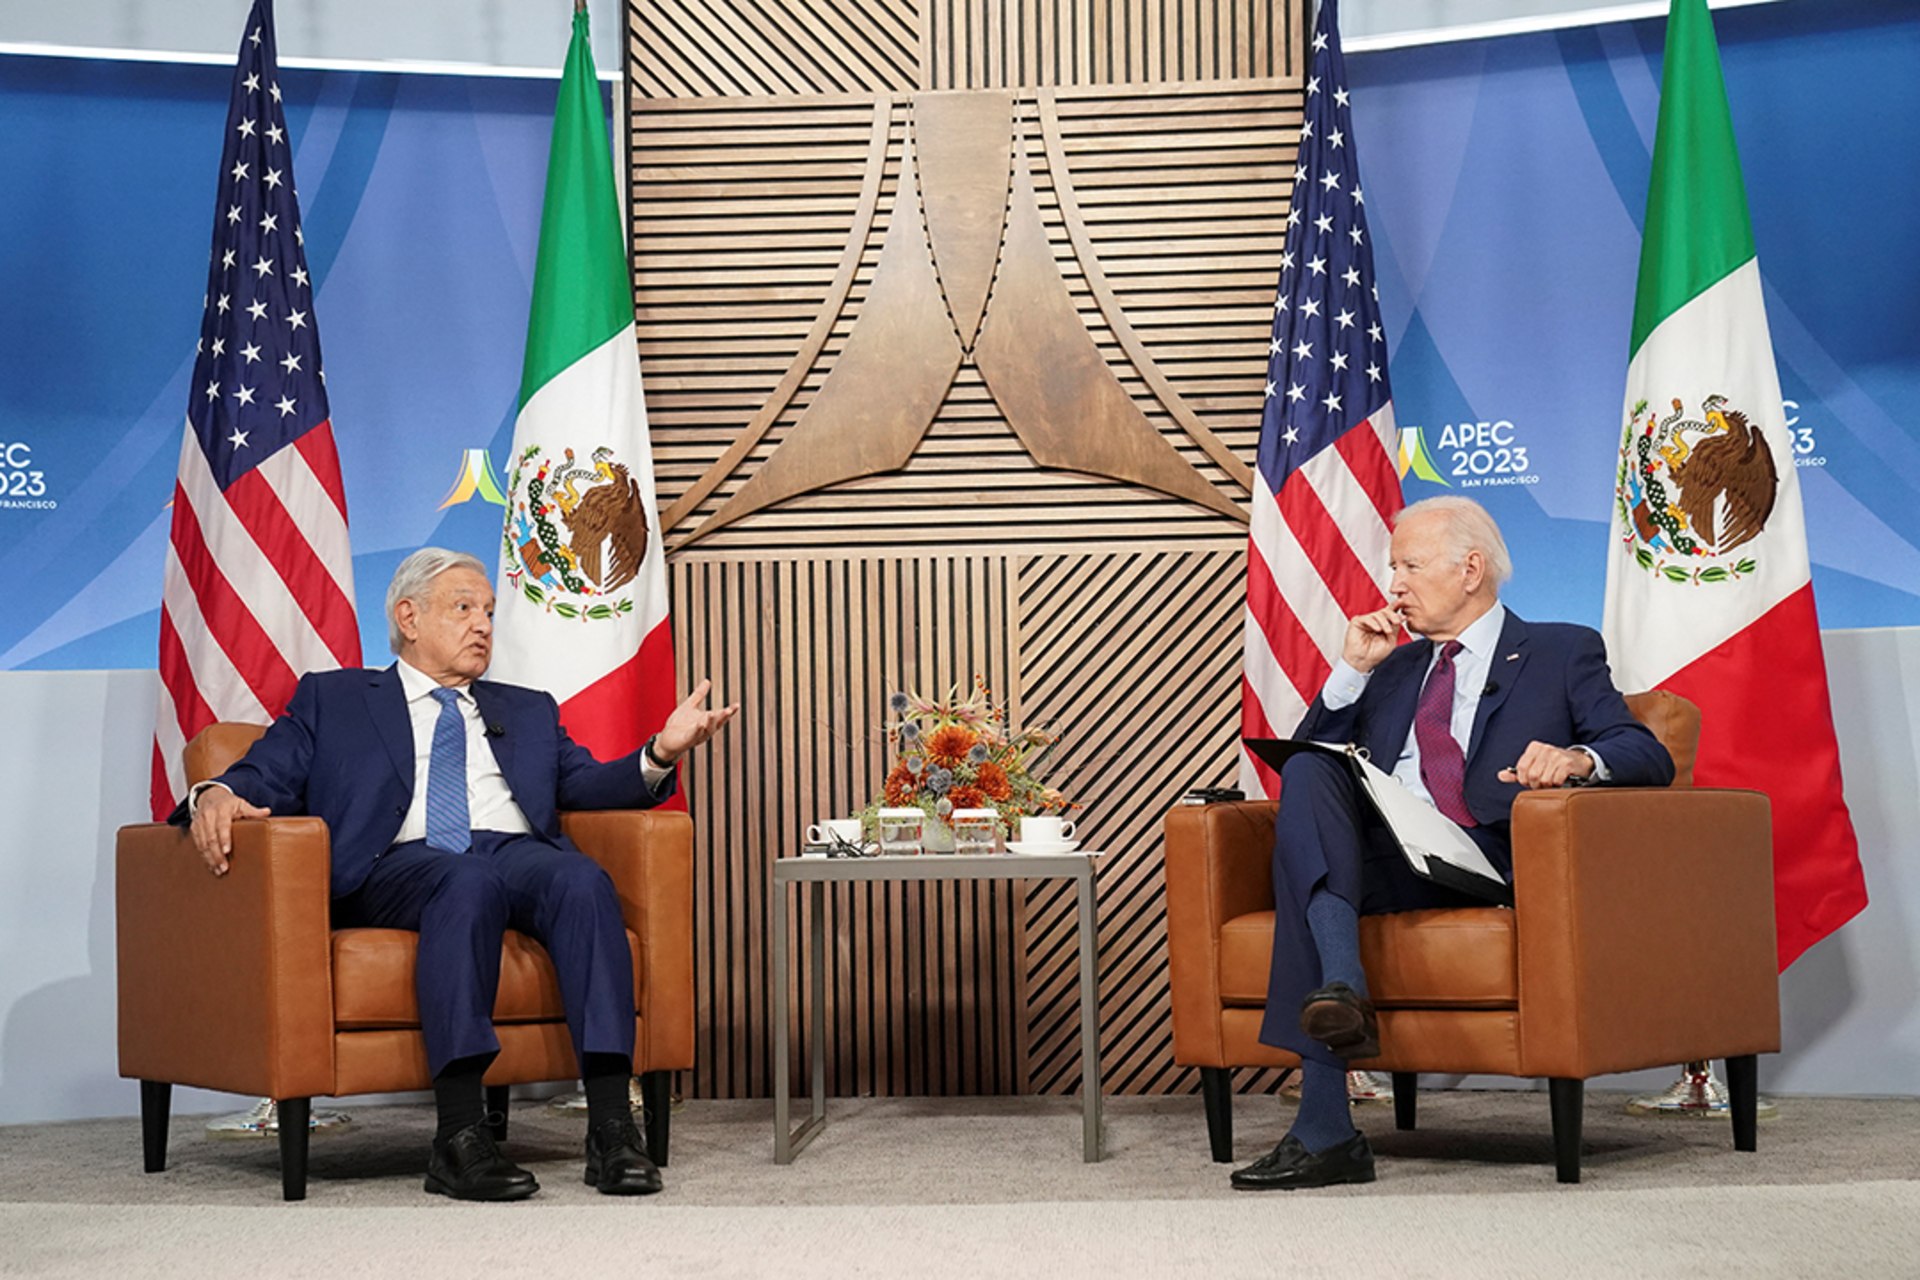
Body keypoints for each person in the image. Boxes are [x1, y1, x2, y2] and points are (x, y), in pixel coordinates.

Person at [180, 548, 737, 1202]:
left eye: (490, 613)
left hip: (508, 850)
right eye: (464, 608)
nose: (483, 626)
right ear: (408, 617)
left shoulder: (526, 708)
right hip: (396, 862)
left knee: (581, 879)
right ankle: (460, 1135)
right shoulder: (336, 699)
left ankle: (613, 1127)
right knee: (462, 881)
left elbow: (584, 784)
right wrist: (213, 793)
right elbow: (264, 770)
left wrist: (660, 752)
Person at [1232, 496, 1673, 1191]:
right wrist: (1352, 672)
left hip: (1487, 856)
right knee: (1314, 769)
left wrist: (1576, 758)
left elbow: (1644, 752)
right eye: (1393, 568)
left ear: (1471, 569)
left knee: (1311, 888)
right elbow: (1303, 766)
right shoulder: (1396, 665)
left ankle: (1325, 1124)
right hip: (1393, 855)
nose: (1394, 584)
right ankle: (1341, 990)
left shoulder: (1561, 648)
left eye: (1409, 565)